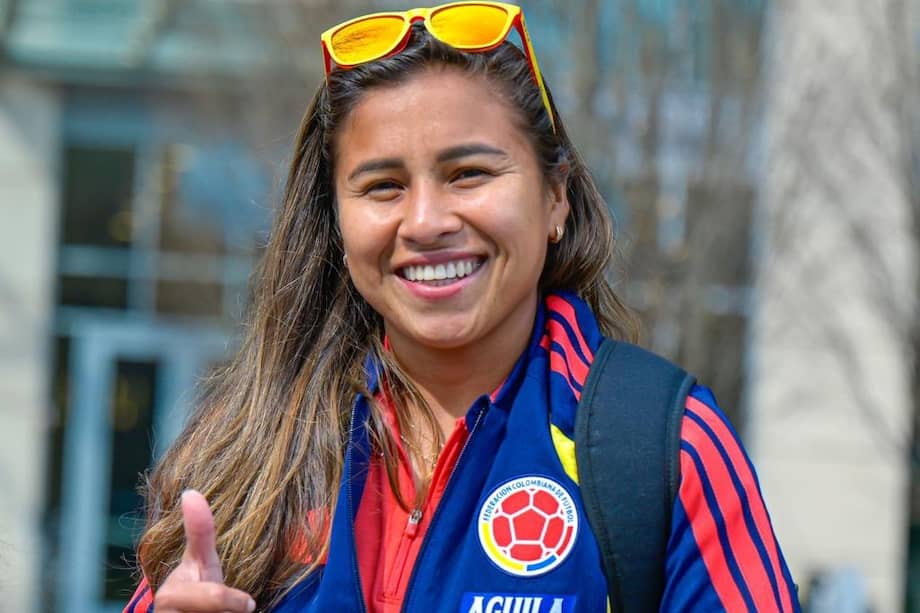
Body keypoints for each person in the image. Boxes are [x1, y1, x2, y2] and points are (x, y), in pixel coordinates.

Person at [123, 3, 800, 612]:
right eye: (383, 186)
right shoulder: (247, 462)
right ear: (337, 221)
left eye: (469, 173)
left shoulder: (662, 447)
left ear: (555, 196)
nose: (425, 221)